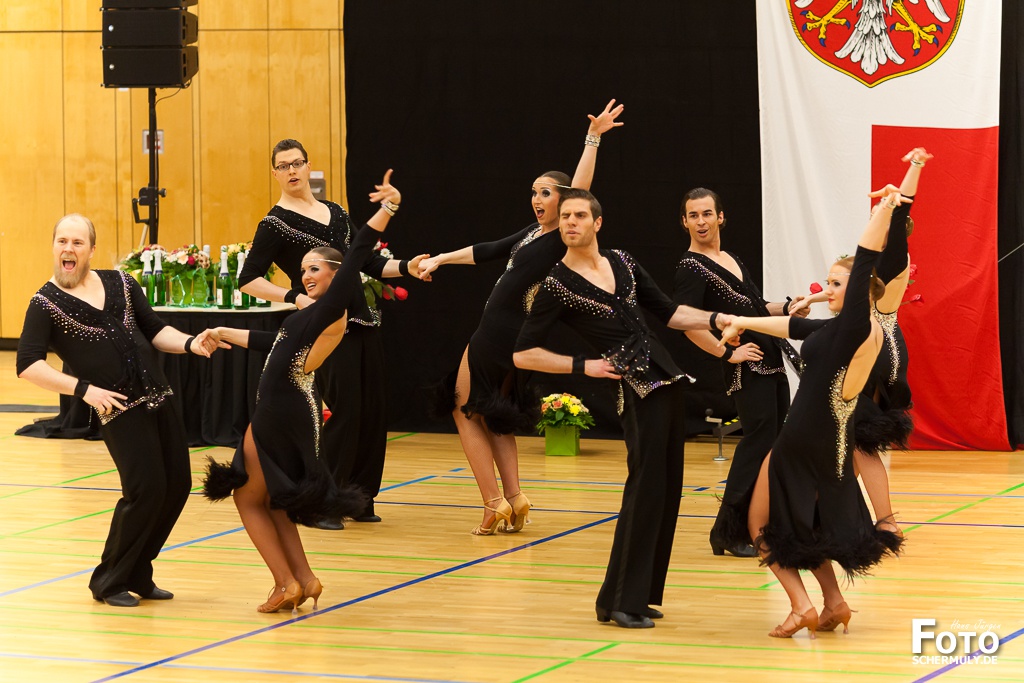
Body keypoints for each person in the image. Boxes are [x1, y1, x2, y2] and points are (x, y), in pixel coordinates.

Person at [513, 189, 733, 628]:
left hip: (667, 382)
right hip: (634, 390)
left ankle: (640, 595)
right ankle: (618, 601)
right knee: (645, 489)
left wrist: (716, 319)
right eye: (565, 216)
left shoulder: (623, 262)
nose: (571, 222)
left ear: (597, 222)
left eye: (580, 215)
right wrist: (585, 366)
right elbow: (523, 354)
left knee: (666, 490)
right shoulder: (557, 283)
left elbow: (669, 313)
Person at [417, 100, 624, 535]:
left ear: (565, 201)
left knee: (462, 408)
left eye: (546, 192)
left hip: (498, 333)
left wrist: (593, 138)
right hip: (511, 336)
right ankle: (515, 498)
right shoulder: (533, 234)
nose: (537, 199)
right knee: (494, 414)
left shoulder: (560, 237)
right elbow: (487, 250)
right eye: (533, 192)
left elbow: (581, 187)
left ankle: (492, 503)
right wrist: (440, 258)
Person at [203, 171, 402, 614]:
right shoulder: (309, 314)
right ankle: (304, 579)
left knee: (246, 496)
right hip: (292, 404)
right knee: (274, 499)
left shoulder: (334, 304)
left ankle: (283, 583)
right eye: (303, 269)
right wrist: (223, 331)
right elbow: (272, 343)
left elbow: (360, 248)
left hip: (281, 407)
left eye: (315, 269)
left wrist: (387, 208)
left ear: (337, 273)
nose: (305, 276)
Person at [718, 185, 909, 639]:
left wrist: (886, 209)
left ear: (862, 289)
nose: (827, 290)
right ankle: (834, 602)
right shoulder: (847, 330)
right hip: (833, 442)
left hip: (802, 438)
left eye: (836, 284)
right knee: (812, 523)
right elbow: (792, 324)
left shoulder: (855, 328)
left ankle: (800, 605)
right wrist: (742, 320)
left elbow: (867, 254)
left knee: (758, 524)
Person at [16, 214, 221, 607]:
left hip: (159, 395)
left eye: (77, 242)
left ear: (91, 250)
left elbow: (156, 330)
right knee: (146, 490)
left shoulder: (122, 283)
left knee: (177, 484)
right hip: (117, 407)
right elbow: (27, 364)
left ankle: (139, 570)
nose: (68, 249)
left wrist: (191, 343)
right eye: (62, 241)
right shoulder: (44, 303)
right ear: (54, 247)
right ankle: (108, 581)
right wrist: (84, 390)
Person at [239, 140, 426, 528]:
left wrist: (408, 266)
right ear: (275, 174)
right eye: (283, 166)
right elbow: (248, 278)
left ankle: (359, 497)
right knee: (342, 413)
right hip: (324, 329)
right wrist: (294, 297)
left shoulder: (336, 212)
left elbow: (368, 261)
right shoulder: (274, 223)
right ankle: (324, 500)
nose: (292, 171)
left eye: (297, 163)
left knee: (371, 412)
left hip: (362, 322)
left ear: (308, 167)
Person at [790, 148, 931, 537]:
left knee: (860, 438)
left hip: (878, 352)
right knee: (848, 437)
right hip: (866, 348)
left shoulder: (892, 258)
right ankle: (825, 512)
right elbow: (851, 291)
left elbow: (901, 209)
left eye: (879, 214)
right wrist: (815, 298)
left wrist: (915, 167)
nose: (875, 217)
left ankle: (884, 520)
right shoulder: (869, 266)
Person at [673, 187, 806, 558]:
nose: (701, 222)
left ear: (720, 217)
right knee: (756, 447)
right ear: (684, 222)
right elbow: (685, 321)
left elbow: (755, 307)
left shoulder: (729, 257)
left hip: (771, 360)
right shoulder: (690, 266)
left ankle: (757, 526)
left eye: (707, 214)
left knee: (772, 448)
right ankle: (725, 532)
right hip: (747, 370)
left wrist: (788, 307)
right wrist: (727, 352)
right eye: (693, 215)